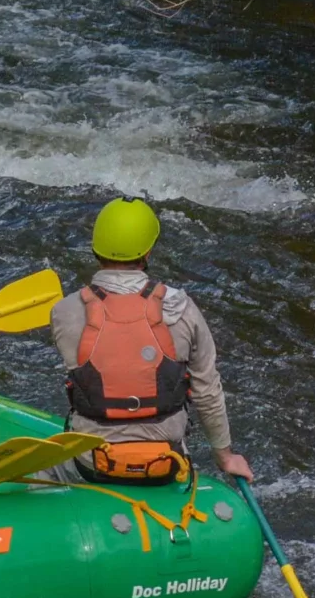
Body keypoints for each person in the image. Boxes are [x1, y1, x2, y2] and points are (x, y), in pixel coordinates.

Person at [48, 197, 252, 481]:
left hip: (91, 463)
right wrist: (225, 457)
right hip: (165, 463)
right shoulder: (181, 308)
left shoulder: (64, 312)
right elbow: (207, 391)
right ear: (148, 252)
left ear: (95, 249)